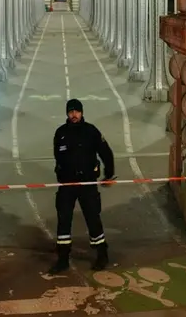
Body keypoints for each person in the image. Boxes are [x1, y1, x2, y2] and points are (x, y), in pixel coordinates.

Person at [49, 98, 115, 273]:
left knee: (93, 218)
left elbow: (105, 152)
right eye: (71, 111)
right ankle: (63, 257)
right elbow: (58, 156)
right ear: (67, 113)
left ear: (82, 112)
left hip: (87, 184)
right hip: (67, 185)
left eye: (77, 111)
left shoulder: (91, 131)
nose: (74, 115)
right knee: (64, 221)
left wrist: (109, 174)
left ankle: (102, 254)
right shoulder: (60, 133)